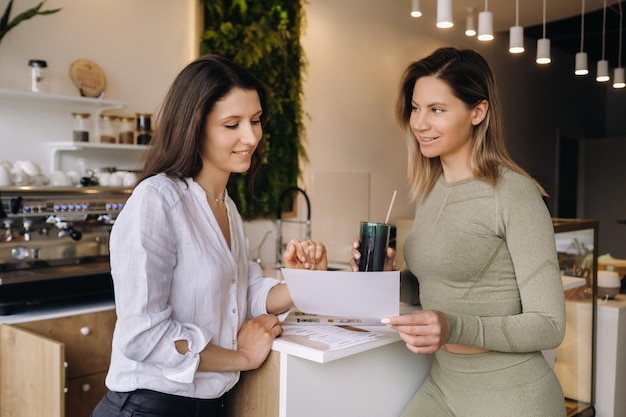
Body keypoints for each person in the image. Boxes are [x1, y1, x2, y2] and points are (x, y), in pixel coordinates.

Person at [91, 55, 327, 417]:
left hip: (207, 406)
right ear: (194, 127)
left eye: (256, 120)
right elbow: (141, 335)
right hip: (148, 407)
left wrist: (302, 284)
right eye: (232, 124)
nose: (251, 137)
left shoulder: (226, 207)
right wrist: (242, 357)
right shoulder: (157, 200)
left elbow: (238, 294)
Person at [351, 47, 566, 417]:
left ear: (477, 112)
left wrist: (451, 326)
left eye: (437, 110)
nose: (419, 123)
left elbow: (550, 325)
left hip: (512, 395)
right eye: (416, 108)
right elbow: (434, 284)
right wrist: (389, 279)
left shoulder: (515, 193)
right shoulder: (431, 190)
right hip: (445, 386)